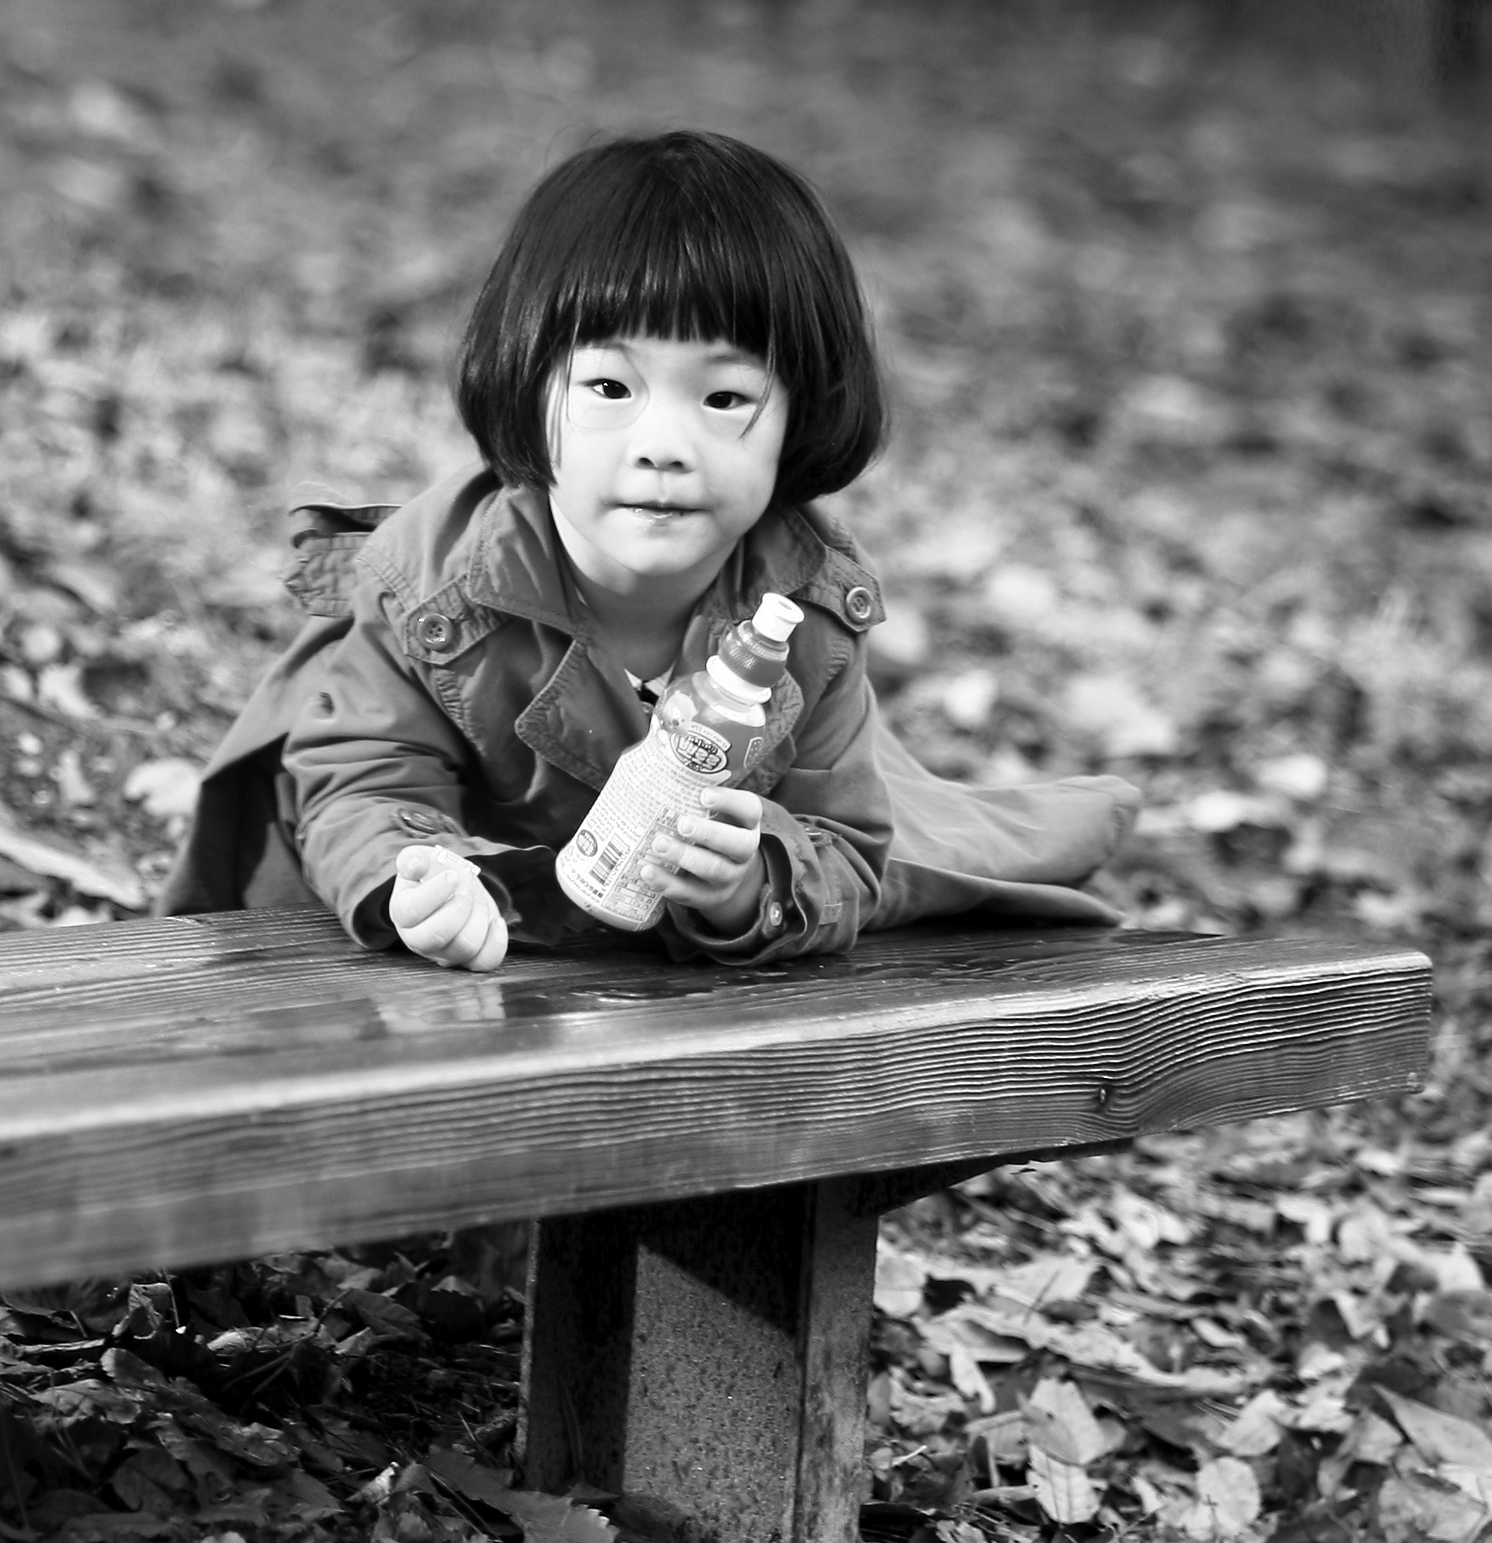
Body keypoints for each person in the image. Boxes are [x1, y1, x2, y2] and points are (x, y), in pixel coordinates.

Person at [164, 129, 1134, 968]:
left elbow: (843, 841)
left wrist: (749, 884)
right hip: (490, 913)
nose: (663, 444)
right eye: (609, 388)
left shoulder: (810, 609)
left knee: (944, 861)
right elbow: (361, 776)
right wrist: (418, 877)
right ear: (528, 386)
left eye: (724, 397)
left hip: (663, 955)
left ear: (798, 417)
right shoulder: (432, 590)